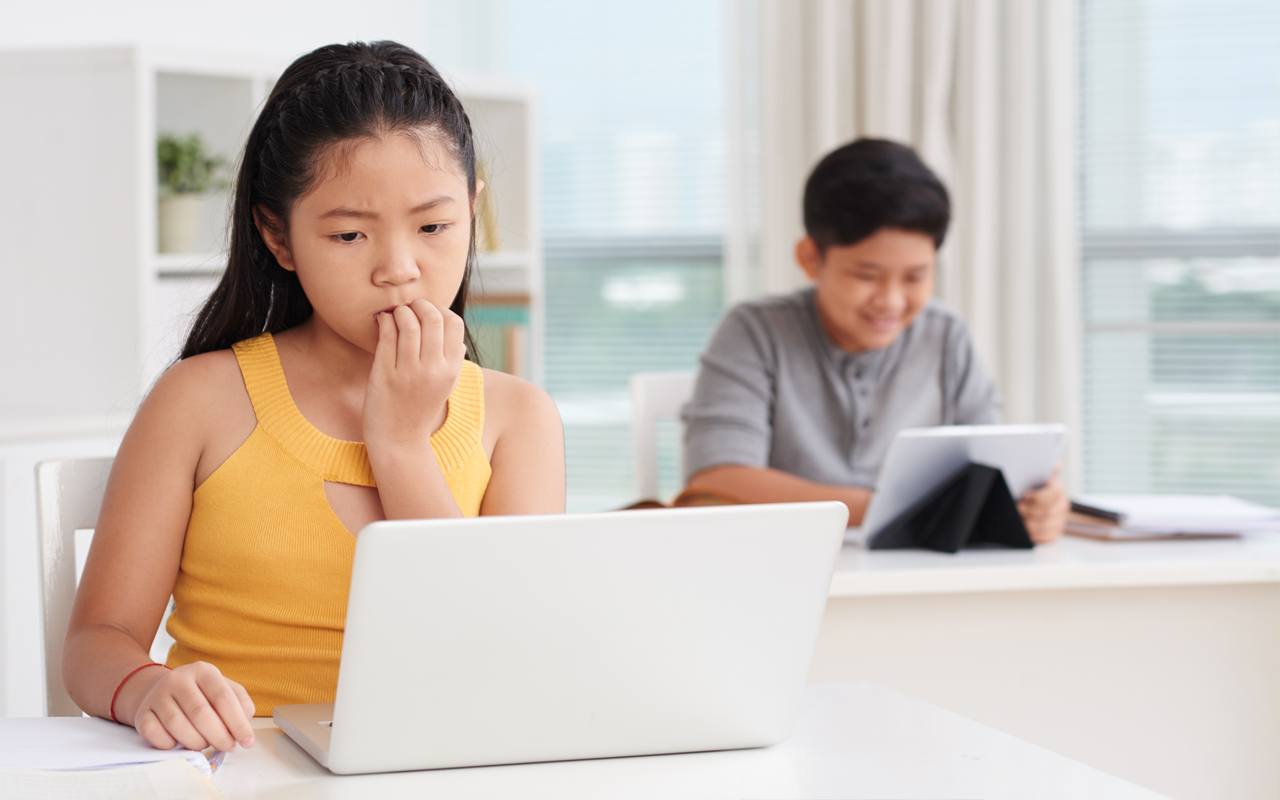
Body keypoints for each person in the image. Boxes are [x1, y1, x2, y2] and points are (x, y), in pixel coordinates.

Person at [62, 42, 565, 754]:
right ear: (279, 236)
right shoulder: (199, 400)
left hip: (445, 771)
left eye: (434, 227)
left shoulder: (520, 420)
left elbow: (502, 656)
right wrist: (146, 687)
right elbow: (95, 642)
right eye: (351, 234)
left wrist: (400, 446)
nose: (399, 269)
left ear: (473, 211)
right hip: (237, 771)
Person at [681, 138, 1067, 540]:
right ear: (810, 258)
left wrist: (1034, 507)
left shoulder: (946, 335)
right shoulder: (755, 332)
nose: (891, 301)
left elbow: (993, 475)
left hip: (914, 581)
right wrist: (897, 509)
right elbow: (717, 480)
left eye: (915, 277)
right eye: (866, 276)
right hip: (782, 569)